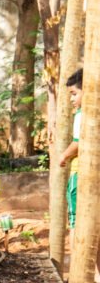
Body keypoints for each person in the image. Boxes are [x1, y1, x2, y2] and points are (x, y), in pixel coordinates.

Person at [59, 69, 83, 232]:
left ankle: (75, 250)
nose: (71, 99)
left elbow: (78, 142)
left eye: (74, 94)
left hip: (79, 172)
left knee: (75, 220)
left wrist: (64, 156)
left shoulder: (81, 115)